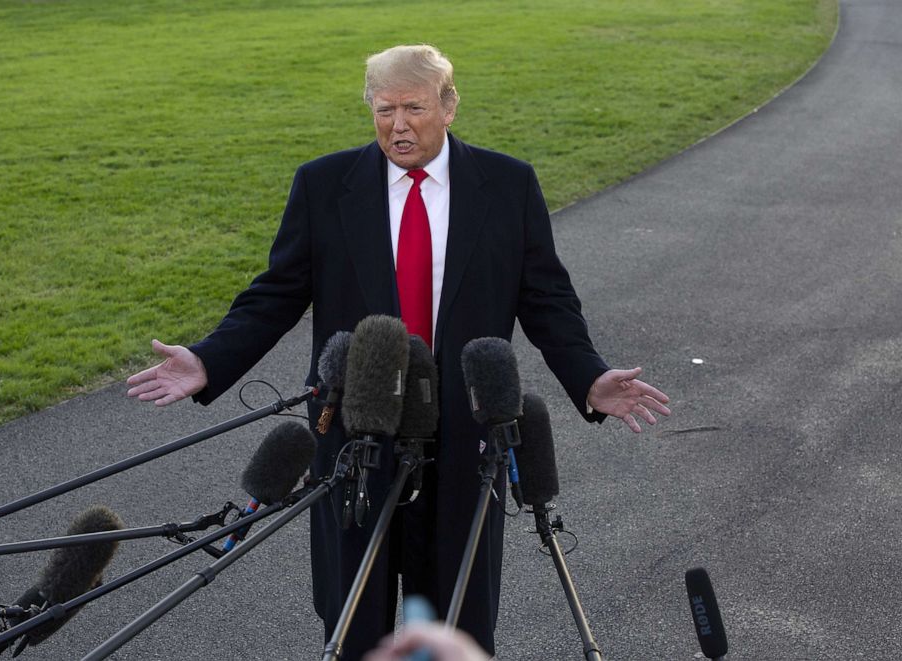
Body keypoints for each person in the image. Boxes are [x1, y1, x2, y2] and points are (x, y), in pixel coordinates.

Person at [127, 44, 670, 660]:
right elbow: (275, 294)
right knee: (353, 618)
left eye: (413, 108)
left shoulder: (507, 184)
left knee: (459, 620)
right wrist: (209, 361)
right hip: (358, 431)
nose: (398, 125)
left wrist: (589, 377)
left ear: (449, 106)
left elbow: (546, 299)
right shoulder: (324, 184)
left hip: (469, 436)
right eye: (384, 110)